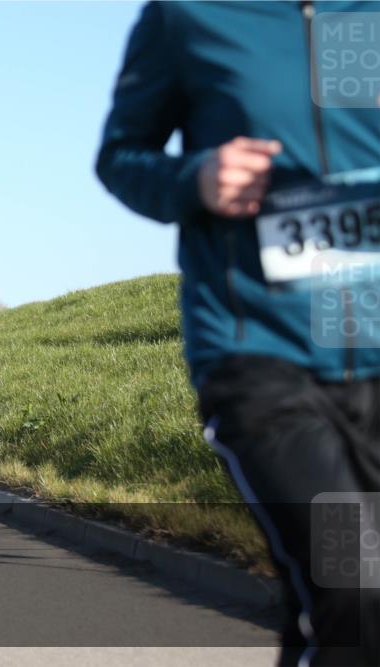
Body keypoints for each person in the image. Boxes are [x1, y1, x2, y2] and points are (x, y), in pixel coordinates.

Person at [96, 3, 379, 665]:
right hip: (261, 350)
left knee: (329, 603)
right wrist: (194, 178)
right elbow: (120, 156)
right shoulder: (190, 15)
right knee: (357, 582)